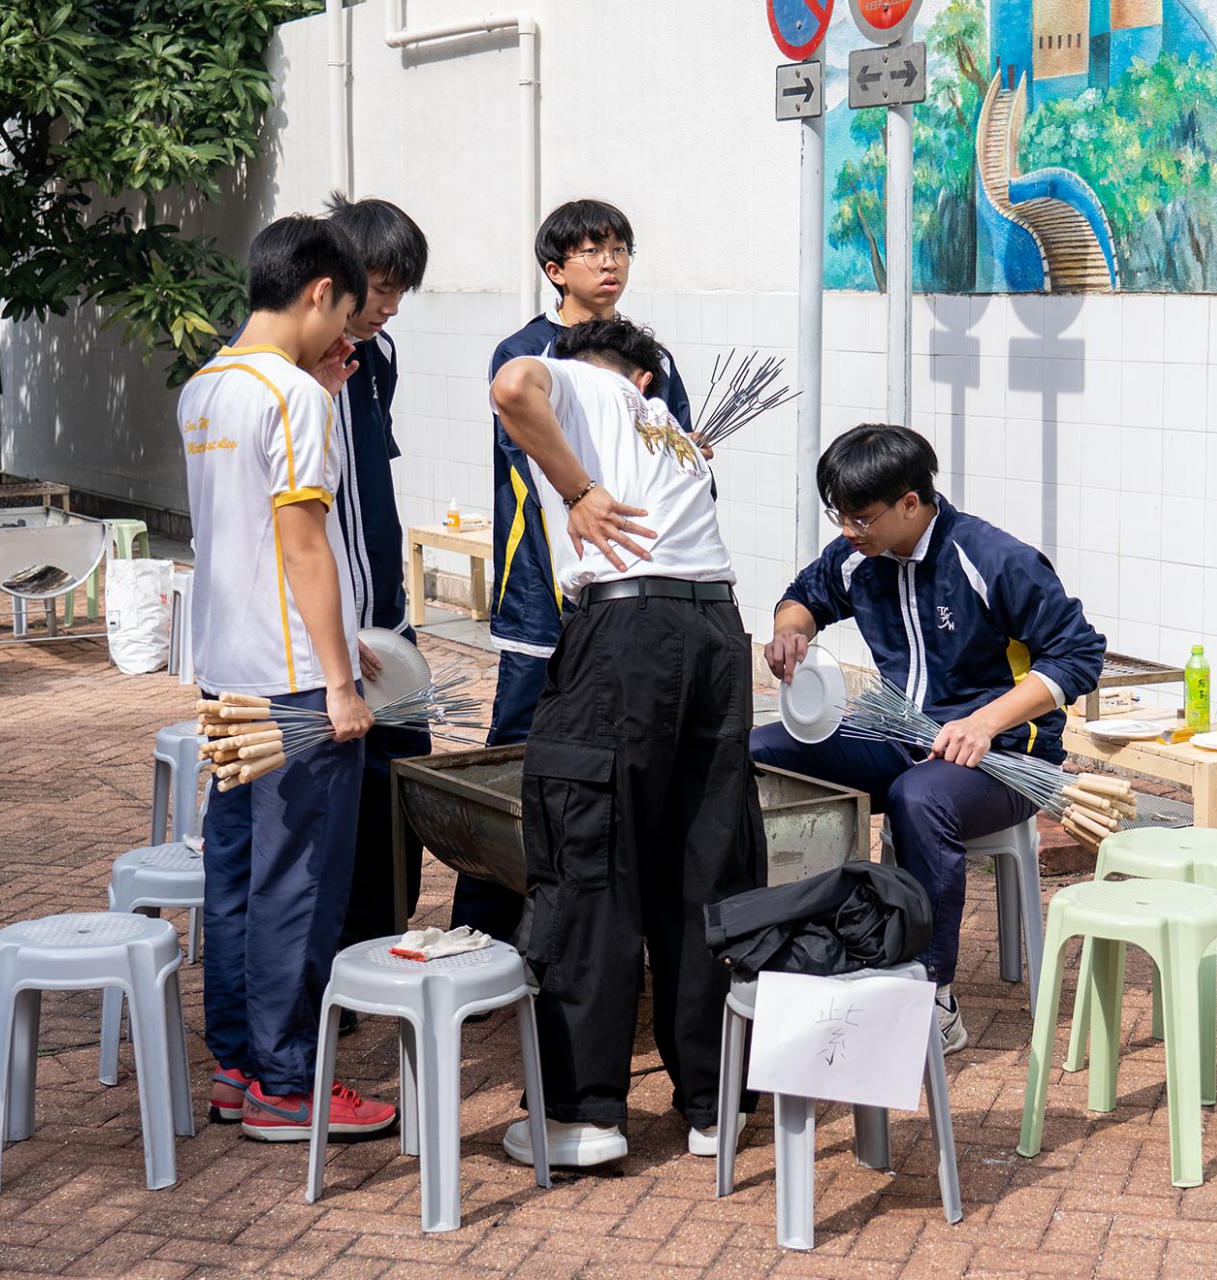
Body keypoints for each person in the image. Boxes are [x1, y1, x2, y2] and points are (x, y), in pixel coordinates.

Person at [487, 316, 763, 1169]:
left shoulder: (581, 379)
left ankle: (582, 1117)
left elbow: (512, 389)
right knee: (707, 866)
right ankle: (716, 1105)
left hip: (626, 636)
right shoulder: (673, 434)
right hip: (717, 633)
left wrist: (575, 490)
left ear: (623, 374)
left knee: (591, 857)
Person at [754, 425, 1104, 1053]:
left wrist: (986, 721)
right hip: (900, 733)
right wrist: (790, 631)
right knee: (761, 754)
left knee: (920, 799)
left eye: (860, 517)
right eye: (839, 516)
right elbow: (804, 595)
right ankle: (777, 942)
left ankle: (931, 992)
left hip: (1002, 757)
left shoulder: (992, 558)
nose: (847, 531)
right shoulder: (859, 556)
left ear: (911, 503)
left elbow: (1078, 655)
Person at [178, 214, 395, 1143]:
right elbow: (304, 545)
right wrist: (341, 680)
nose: (347, 332)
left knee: (234, 874)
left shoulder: (204, 388)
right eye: (346, 312)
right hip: (296, 684)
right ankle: (288, 1082)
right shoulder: (296, 398)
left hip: (226, 673)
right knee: (299, 885)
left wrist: (318, 387)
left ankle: (238, 1066)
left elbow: (244, 531)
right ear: (319, 292)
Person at [453, 199, 693, 941]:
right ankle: (481, 930)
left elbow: (676, 452)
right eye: (592, 251)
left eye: (619, 249)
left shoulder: (650, 356)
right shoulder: (526, 352)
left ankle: (588, 926)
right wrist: (584, 490)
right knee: (517, 750)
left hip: (630, 588)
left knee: (619, 753)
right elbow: (529, 446)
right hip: (542, 587)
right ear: (555, 270)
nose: (610, 263)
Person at [314, 195, 434, 966]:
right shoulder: (295, 368)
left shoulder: (377, 357)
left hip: (387, 623)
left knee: (400, 789)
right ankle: (331, 966)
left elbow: (371, 492)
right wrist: (334, 632)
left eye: (400, 292)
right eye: (381, 289)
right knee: (335, 807)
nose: (390, 307)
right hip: (332, 633)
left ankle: (381, 947)